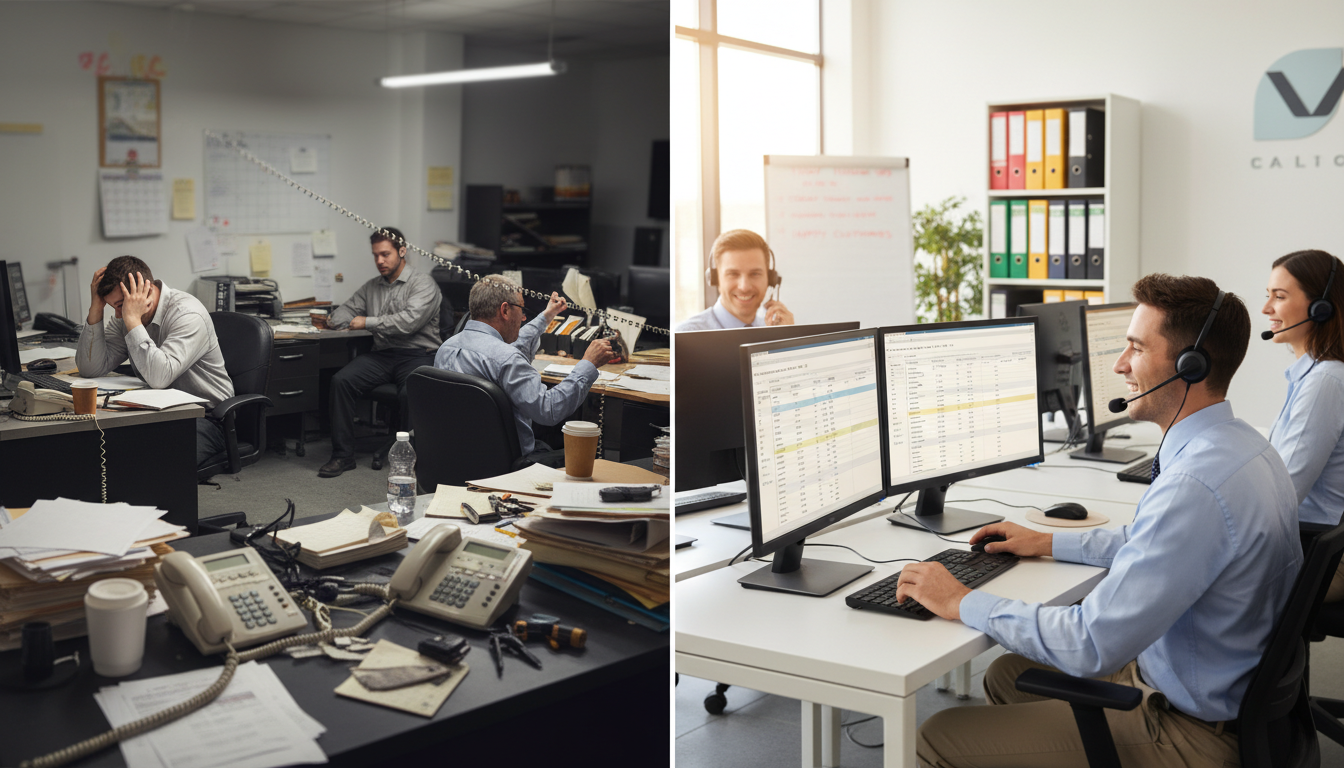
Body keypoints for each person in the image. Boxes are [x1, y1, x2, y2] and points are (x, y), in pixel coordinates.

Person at [905, 274, 1301, 768]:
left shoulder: (1194, 487)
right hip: (1221, 691)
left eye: (1136, 348)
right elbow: (1154, 540)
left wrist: (961, 600)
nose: (1119, 365)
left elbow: (1089, 644)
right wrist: (1048, 542)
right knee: (1008, 674)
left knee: (936, 736)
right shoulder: (1245, 446)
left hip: (1190, 731)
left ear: (1190, 365)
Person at [434, 275, 616, 464]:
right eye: (521, 309)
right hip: (510, 462)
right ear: (505, 310)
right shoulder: (508, 359)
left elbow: (503, 347)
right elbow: (549, 410)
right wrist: (588, 364)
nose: (523, 317)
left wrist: (546, 317)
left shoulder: (446, 349)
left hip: (458, 456)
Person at [76, 255, 233, 468]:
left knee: (148, 464)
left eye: (121, 305)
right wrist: (96, 308)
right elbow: (90, 368)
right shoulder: (125, 316)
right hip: (158, 412)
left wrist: (133, 320)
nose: (119, 315)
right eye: (114, 307)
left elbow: (160, 378)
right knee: (105, 449)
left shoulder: (187, 314)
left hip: (206, 417)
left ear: (147, 290)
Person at [319, 227, 442, 478]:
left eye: (385, 254)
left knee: (411, 392)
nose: (379, 261)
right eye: (376, 255)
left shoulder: (423, 284)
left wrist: (366, 322)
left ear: (402, 251)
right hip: (383, 355)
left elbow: (408, 322)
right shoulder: (371, 287)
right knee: (341, 381)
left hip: (418, 354)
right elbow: (345, 311)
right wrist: (333, 320)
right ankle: (343, 456)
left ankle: (413, 460)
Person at [1264, 249, 1344, 601]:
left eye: (1279, 297)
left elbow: (1283, 496)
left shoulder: (1325, 381)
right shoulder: (1313, 375)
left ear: (1320, 308)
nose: (1266, 308)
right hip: (1308, 538)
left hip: (1318, 551)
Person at [675, 229, 794, 331]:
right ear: (715, 278)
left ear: (770, 279)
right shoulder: (685, 335)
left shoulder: (774, 330)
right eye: (733, 274)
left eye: (755, 274)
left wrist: (788, 339)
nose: (744, 287)